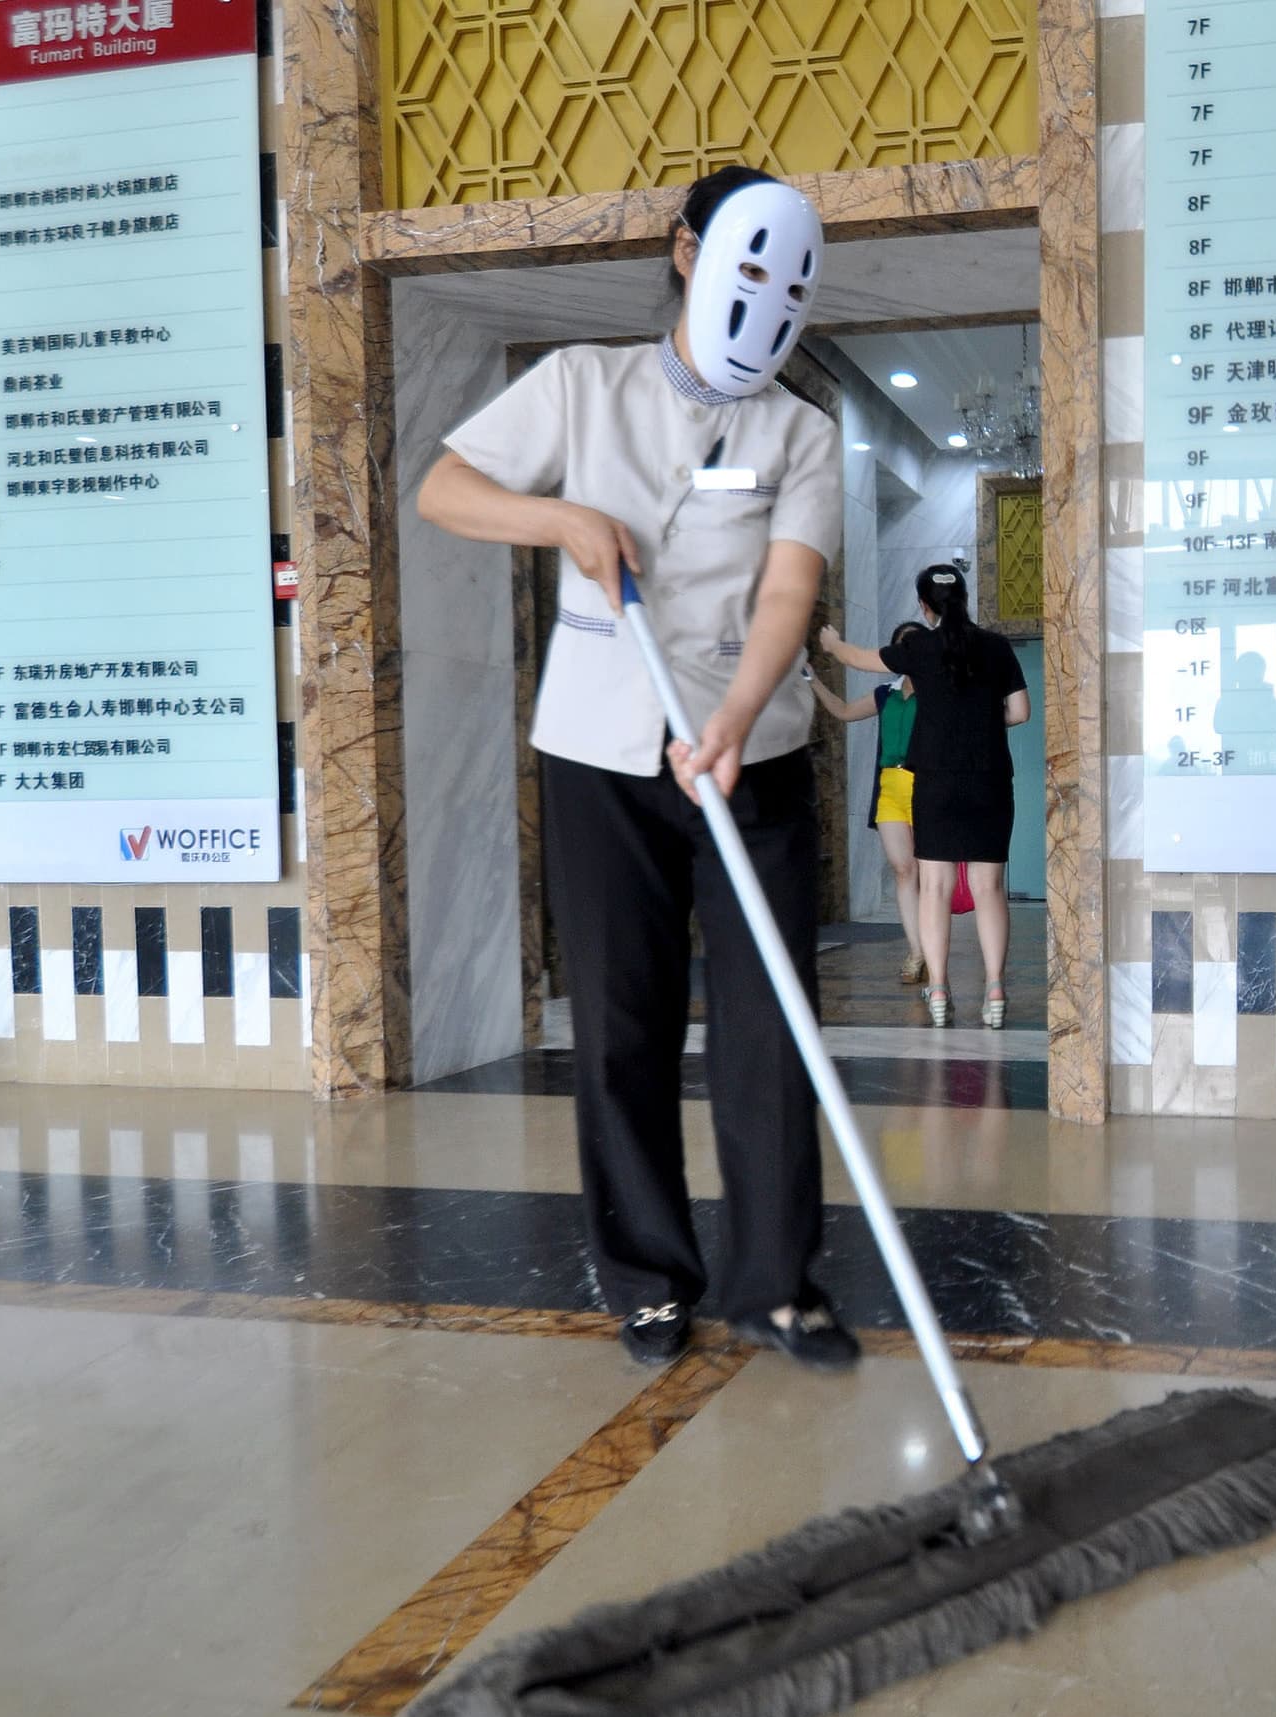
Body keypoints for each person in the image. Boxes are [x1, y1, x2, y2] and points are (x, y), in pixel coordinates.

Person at [413, 166, 861, 1372]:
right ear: (686, 255)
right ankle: (650, 1277)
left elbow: (789, 586)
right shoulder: (581, 386)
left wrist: (738, 715)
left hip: (749, 759)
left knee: (772, 1024)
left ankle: (779, 1286)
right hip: (601, 755)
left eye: (790, 282)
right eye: (746, 268)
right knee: (622, 1019)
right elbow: (445, 489)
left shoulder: (803, 431)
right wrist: (563, 520)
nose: (767, 299)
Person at [819, 562, 1028, 1029]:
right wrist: (983, 722)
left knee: (932, 887)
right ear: (966, 599)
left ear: (923, 605)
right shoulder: (996, 647)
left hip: (935, 782)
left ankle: (939, 989)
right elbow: (1020, 711)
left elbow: (857, 658)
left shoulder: (917, 647)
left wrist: (832, 645)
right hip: (990, 780)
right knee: (988, 887)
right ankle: (994, 989)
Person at [809, 620, 931, 984]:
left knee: (929, 874)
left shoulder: (937, 691)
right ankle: (917, 952)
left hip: (926, 786)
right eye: (898, 646)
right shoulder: (886, 694)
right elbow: (844, 711)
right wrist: (811, 679)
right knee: (903, 870)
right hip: (890, 785)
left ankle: (933, 950)